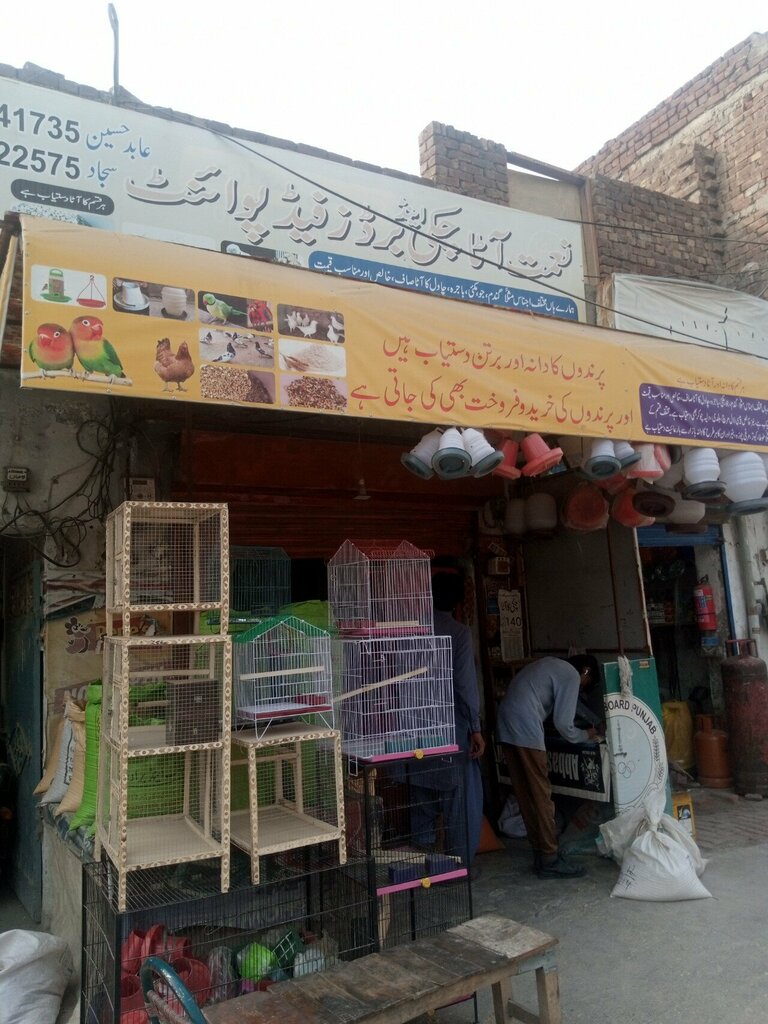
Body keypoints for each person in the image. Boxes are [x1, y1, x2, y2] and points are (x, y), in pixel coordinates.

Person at [496, 654, 600, 879]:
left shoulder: (550, 664)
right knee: (541, 795)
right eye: (586, 685)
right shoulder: (571, 675)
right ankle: (550, 858)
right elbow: (564, 724)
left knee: (525, 794)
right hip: (525, 727)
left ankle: (540, 854)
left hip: (505, 723)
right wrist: (586, 734)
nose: (580, 689)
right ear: (586, 672)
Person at [408, 565, 485, 863]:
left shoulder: (413, 631)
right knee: (461, 799)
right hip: (450, 729)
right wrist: (475, 726)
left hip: (414, 728)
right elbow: (465, 685)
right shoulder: (459, 633)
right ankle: (458, 866)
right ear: (456, 602)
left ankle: (421, 863)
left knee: (421, 798)